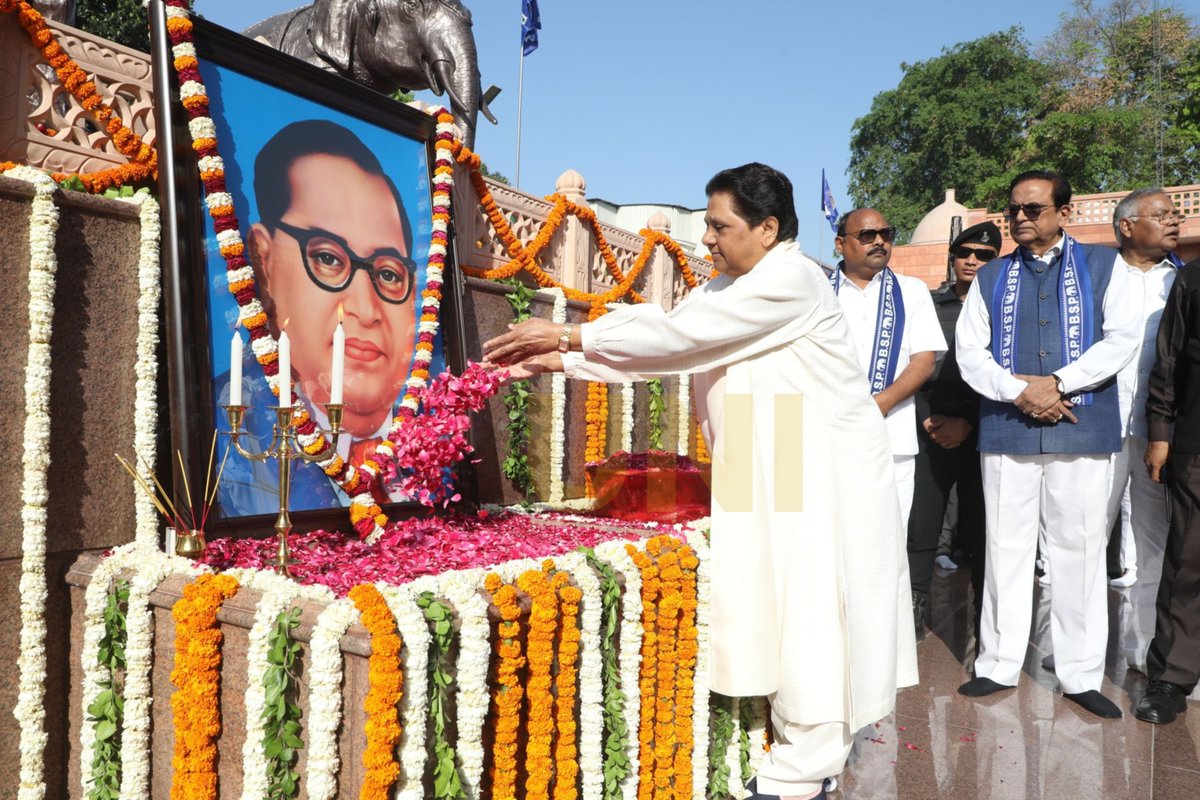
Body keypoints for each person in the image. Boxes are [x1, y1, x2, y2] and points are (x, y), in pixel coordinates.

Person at [484, 163, 917, 800]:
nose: (709, 239)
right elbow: (675, 347)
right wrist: (565, 358)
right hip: (765, 454)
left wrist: (569, 330)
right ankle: (791, 732)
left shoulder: (791, 277)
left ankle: (810, 762)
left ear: (768, 229)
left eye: (720, 226)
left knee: (812, 605)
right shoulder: (729, 285)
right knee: (768, 597)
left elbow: (679, 336)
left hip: (814, 461)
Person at [955, 169, 1139, 718]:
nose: (1019, 219)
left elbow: (1122, 338)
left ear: (1064, 211)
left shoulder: (1105, 265)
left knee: (1078, 550)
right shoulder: (992, 276)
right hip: (1008, 427)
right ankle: (997, 664)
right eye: (1014, 210)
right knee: (1005, 547)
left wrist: (1059, 384)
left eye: (1032, 209)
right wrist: (1020, 392)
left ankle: (1081, 673)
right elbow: (970, 352)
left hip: (1081, 425)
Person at [216, 119, 419, 517]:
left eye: (389, 274)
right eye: (327, 257)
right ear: (262, 261)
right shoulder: (236, 423)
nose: (364, 308)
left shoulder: (435, 426)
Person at [830, 208, 946, 619]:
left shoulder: (912, 291)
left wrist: (877, 405)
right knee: (831, 541)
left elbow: (924, 361)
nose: (879, 240)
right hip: (828, 439)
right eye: (866, 234)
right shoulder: (818, 292)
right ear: (840, 243)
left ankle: (883, 635)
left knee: (886, 541)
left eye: (886, 232)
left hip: (891, 438)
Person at [1101, 189, 1183, 675]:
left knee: (1155, 544)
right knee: (1088, 539)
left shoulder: (1183, 280)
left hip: (1159, 432)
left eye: (1175, 214)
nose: (1175, 222)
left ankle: (1147, 651)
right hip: (1099, 427)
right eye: (1163, 214)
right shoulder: (1097, 277)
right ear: (1128, 226)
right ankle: (1082, 650)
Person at [908, 221, 1000, 641]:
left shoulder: (1005, 308)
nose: (973, 261)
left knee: (982, 529)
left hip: (984, 428)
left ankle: (987, 623)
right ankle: (912, 610)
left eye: (984, 256)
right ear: (952, 254)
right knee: (922, 526)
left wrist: (969, 423)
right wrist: (927, 417)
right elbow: (910, 367)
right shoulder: (928, 305)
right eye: (965, 252)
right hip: (931, 425)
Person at [1136, 249, 1200, 725]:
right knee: (1186, 565)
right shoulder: (1192, 279)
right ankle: (1171, 678)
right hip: (1196, 445)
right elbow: (1170, 360)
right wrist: (1160, 432)